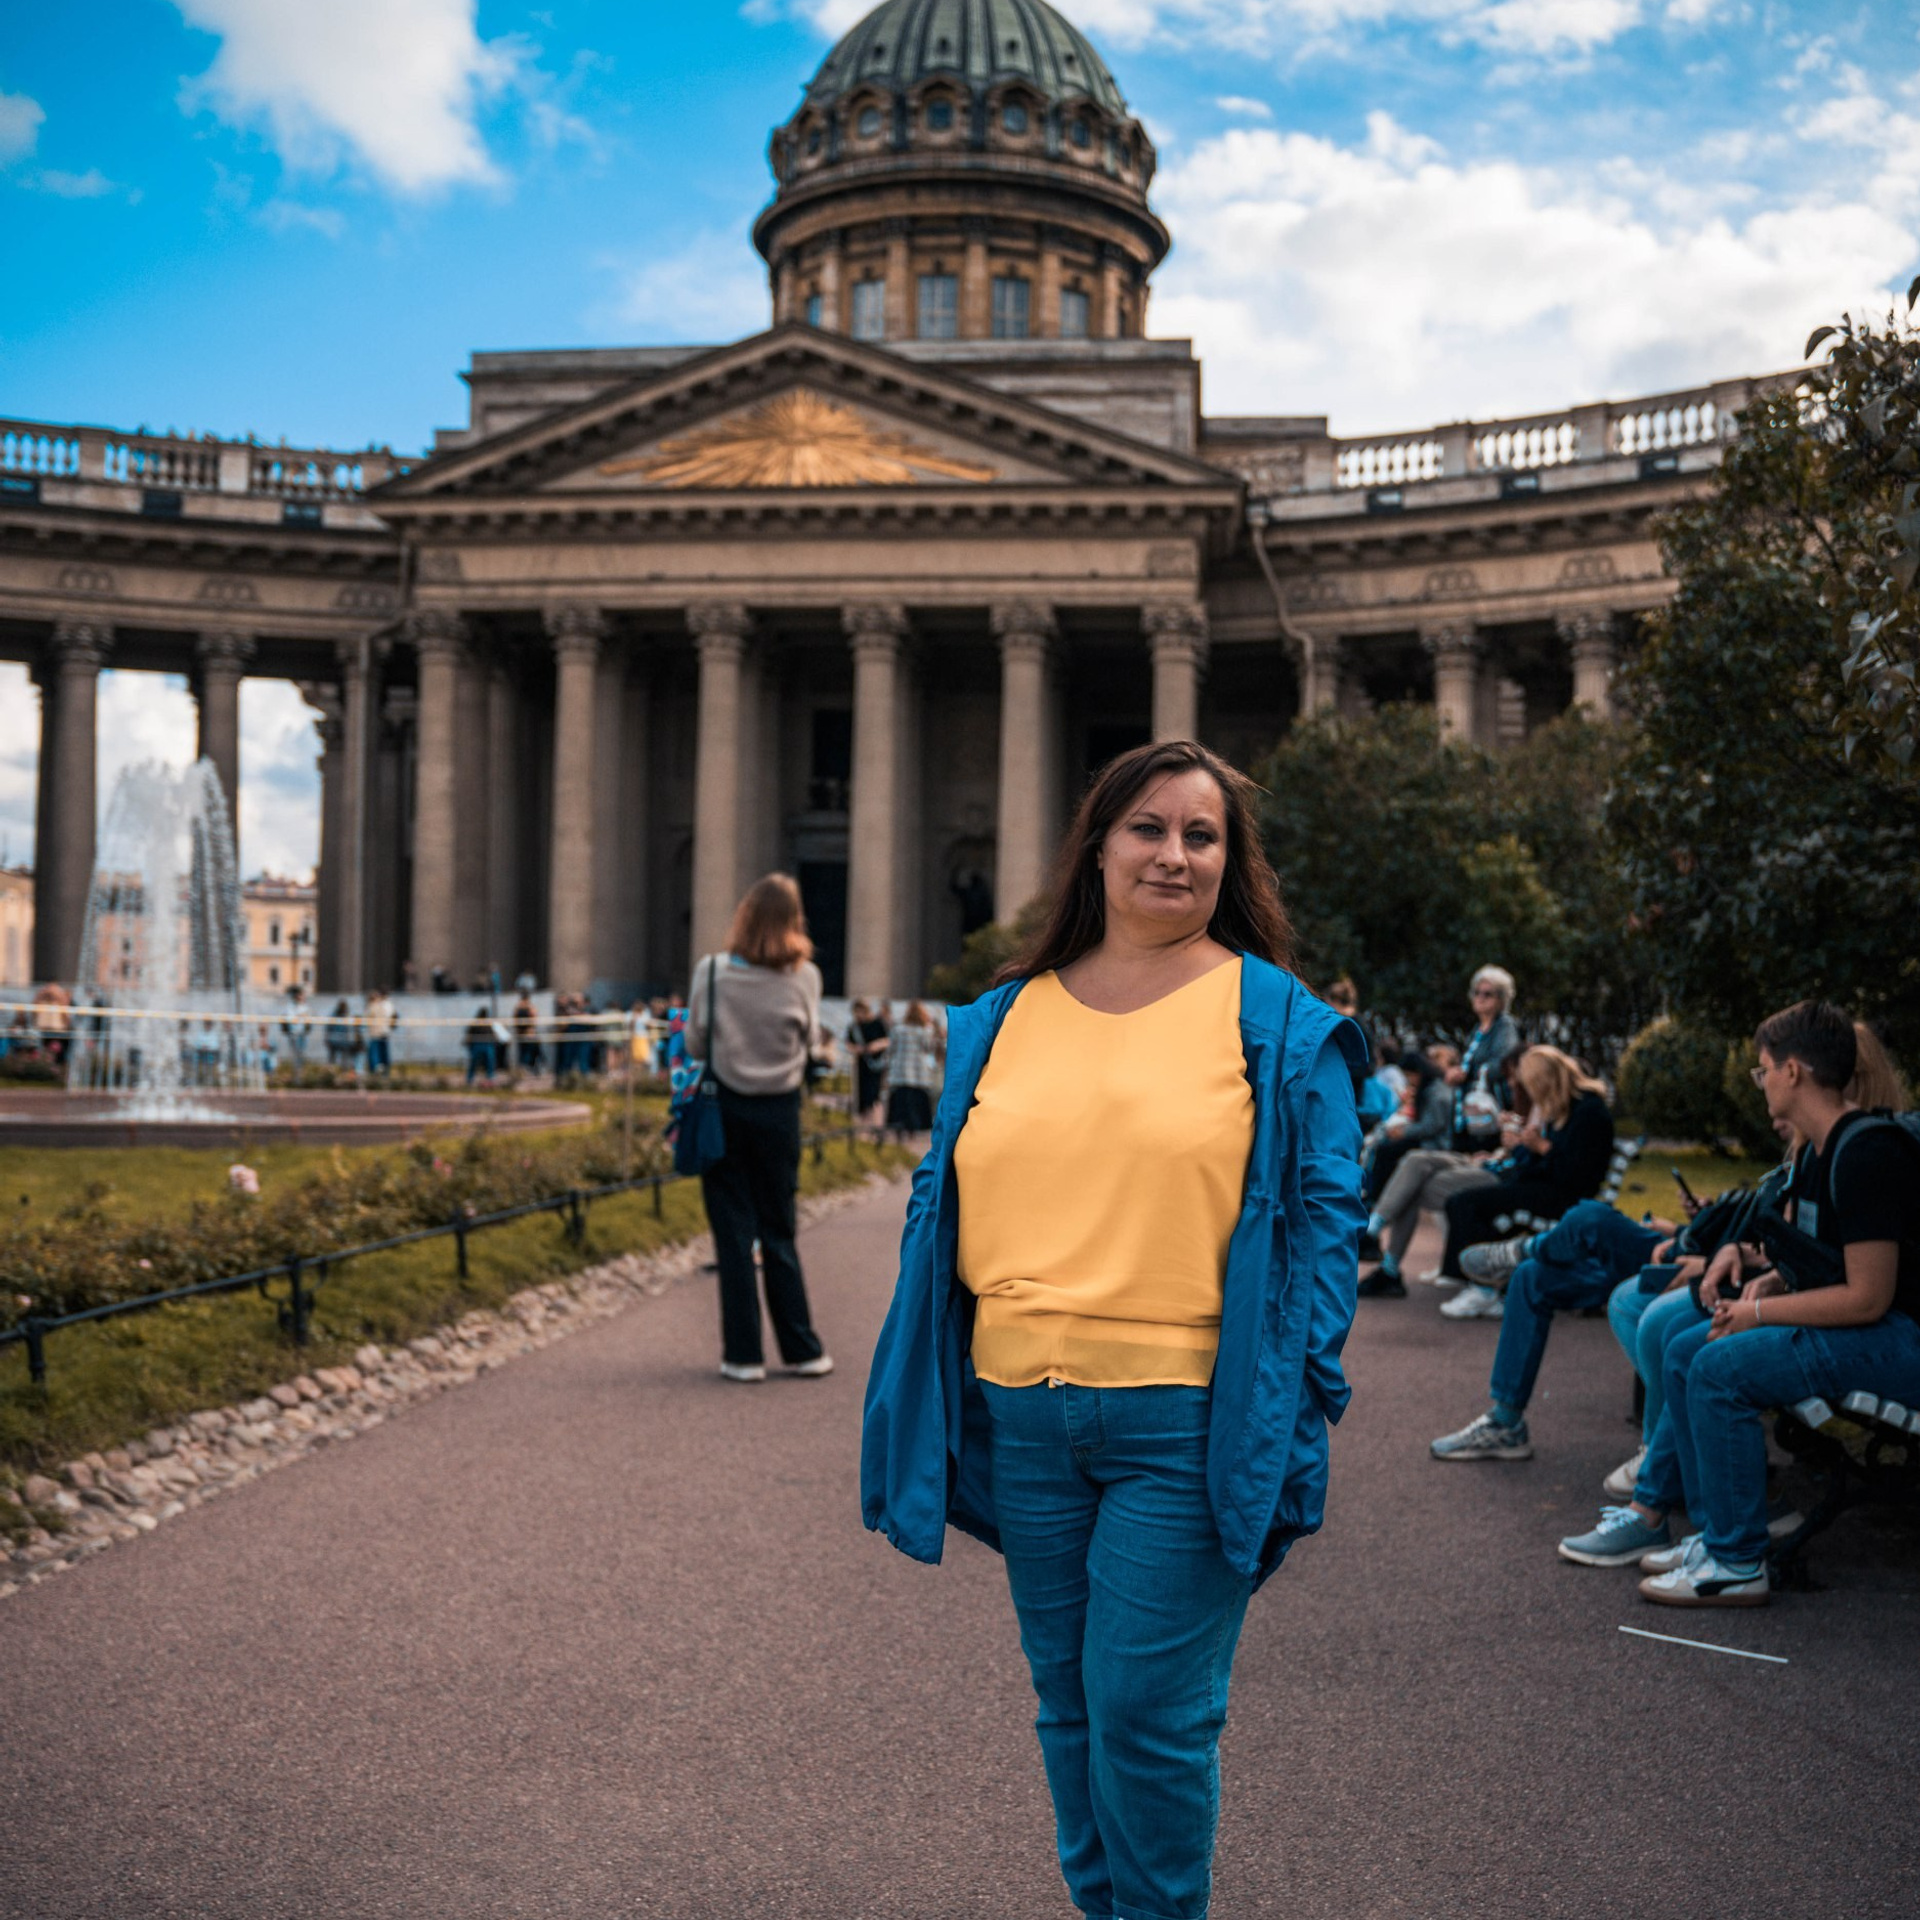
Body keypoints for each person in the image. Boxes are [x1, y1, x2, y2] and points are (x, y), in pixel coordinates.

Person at [861, 740, 1364, 1920]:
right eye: (1149, 827)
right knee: (1070, 1704)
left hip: (1183, 1419)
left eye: (1203, 835)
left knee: (1149, 1711)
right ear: (1097, 844)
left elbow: (1326, 1238)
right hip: (1022, 1413)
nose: (1174, 854)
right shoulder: (1001, 1018)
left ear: (1231, 864)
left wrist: (1300, 1399)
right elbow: (948, 1201)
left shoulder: (1278, 1021)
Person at [1567, 1003, 1920, 1603]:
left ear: (1794, 1071)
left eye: (1762, 1071)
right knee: (1686, 1350)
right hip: (1872, 1330)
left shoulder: (1865, 1151)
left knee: (1716, 1365)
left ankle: (1736, 1562)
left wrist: (1756, 1313)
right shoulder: (1816, 1151)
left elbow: (1868, 1297)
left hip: (1898, 1340)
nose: (1761, 1085)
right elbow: (1828, 1260)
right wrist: (1775, 1280)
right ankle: (1720, 1533)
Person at [688, 873, 833, 1385]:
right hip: (779, 1112)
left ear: (744, 917)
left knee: (732, 1235)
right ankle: (802, 1350)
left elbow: (694, 1042)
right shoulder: (806, 976)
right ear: (795, 921)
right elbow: (811, 1044)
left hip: (723, 1108)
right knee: (779, 1231)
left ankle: (743, 1356)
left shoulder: (711, 973)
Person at [1436, 1045, 1615, 1315]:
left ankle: (1482, 1287)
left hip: (1564, 1198)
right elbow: (1540, 1163)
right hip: (1545, 1187)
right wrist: (1523, 1145)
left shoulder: (1589, 1112)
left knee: (1467, 1204)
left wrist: (1541, 1147)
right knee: (1463, 1200)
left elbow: (1577, 1175)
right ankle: (1475, 1280)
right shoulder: (1569, 1108)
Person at [883, 1000, 943, 1134]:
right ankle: (916, 1127)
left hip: (900, 1071)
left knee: (900, 1101)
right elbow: (929, 1048)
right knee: (917, 1102)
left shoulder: (898, 1029)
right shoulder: (925, 1031)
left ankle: (898, 1126)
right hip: (918, 1072)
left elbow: (891, 1048)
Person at [846, 997, 889, 1125]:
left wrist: (876, 1046)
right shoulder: (854, 1027)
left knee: (875, 1094)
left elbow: (887, 1040)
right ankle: (863, 1124)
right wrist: (856, 1049)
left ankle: (874, 1123)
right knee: (862, 1096)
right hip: (861, 1064)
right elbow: (848, 1043)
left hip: (876, 1064)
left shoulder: (878, 1023)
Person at [363, 989, 396, 1077]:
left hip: (376, 1033)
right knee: (382, 1054)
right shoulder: (384, 1005)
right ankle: (383, 1071)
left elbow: (367, 1017)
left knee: (376, 1054)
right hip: (382, 1033)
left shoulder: (374, 1006)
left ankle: (377, 1071)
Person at [464, 1007, 498, 1086]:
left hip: (482, 1045)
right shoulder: (485, 1024)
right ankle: (488, 1077)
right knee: (486, 1061)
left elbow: (468, 1036)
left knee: (485, 1061)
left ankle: (488, 1078)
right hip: (480, 1045)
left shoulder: (482, 1024)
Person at [324, 999, 360, 1073]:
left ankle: (341, 1071)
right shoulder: (338, 1016)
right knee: (335, 1057)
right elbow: (328, 1028)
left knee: (340, 1057)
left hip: (340, 1041)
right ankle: (335, 1071)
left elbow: (328, 1029)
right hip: (337, 1041)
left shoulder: (341, 1015)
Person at [512, 989, 542, 1076]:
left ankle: (531, 1069)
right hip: (525, 1033)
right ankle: (525, 1070)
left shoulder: (523, 1007)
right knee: (525, 1054)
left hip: (528, 1033)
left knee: (531, 1053)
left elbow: (533, 1019)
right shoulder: (523, 1007)